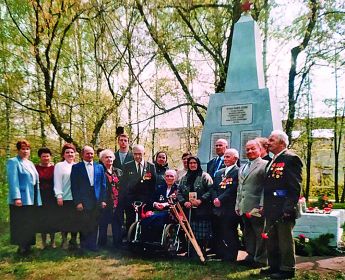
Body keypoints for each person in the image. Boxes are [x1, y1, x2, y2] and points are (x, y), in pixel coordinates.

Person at [260, 130, 303, 279]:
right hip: (271, 208)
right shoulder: (273, 159)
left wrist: (288, 208)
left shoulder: (291, 159)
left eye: (272, 140)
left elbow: (294, 187)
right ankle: (274, 266)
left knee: (284, 240)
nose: (268, 142)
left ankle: (287, 269)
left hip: (284, 208)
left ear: (282, 143)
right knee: (272, 240)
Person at [235, 140, 268, 267]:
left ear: (260, 150)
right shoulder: (243, 167)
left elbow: (266, 188)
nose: (249, 151)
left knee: (260, 233)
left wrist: (262, 204)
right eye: (247, 149)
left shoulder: (265, 165)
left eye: (253, 149)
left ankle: (261, 259)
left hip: (256, 207)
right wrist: (237, 205)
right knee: (248, 233)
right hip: (244, 206)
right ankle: (250, 255)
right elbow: (240, 188)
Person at [7, 140, 42, 254]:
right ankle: (21, 247)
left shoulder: (30, 163)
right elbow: (13, 181)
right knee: (20, 222)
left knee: (29, 222)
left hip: (31, 198)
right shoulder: (13, 162)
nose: (26, 151)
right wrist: (17, 197)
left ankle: (28, 246)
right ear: (18, 150)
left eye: (27, 148)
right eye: (23, 148)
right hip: (21, 198)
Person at [71, 145, 107, 252]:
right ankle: (83, 245)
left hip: (96, 199)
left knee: (94, 222)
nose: (90, 155)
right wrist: (78, 202)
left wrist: (103, 200)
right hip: (83, 199)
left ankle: (92, 245)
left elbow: (103, 185)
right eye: (87, 153)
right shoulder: (76, 167)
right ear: (82, 155)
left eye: (91, 153)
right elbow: (74, 186)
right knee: (84, 222)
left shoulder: (99, 167)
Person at [177, 156, 213, 257]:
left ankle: (202, 252)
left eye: (194, 163)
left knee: (202, 233)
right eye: (190, 163)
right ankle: (191, 252)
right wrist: (184, 202)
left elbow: (211, 191)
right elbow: (179, 192)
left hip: (203, 210)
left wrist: (201, 200)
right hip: (189, 211)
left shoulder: (205, 176)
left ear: (198, 164)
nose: (192, 165)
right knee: (190, 232)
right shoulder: (184, 178)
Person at [211, 149, 241, 262]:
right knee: (219, 231)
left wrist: (221, 199)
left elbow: (233, 188)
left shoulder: (238, 171)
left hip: (229, 207)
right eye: (225, 156)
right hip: (217, 207)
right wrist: (215, 198)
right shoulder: (219, 172)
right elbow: (214, 188)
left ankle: (231, 256)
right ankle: (220, 253)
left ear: (235, 159)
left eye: (228, 157)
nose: (225, 159)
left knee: (230, 231)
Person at [121, 144, 157, 231]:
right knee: (130, 221)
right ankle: (130, 241)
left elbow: (153, 184)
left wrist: (150, 200)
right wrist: (127, 199)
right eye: (135, 154)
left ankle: (143, 241)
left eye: (140, 154)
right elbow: (124, 184)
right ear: (132, 154)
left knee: (145, 222)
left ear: (144, 153)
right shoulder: (127, 166)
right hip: (131, 200)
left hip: (145, 200)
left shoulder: (150, 166)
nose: (137, 156)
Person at [140, 169, 178, 242]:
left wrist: (165, 204)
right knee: (145, 219)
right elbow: (151, 199)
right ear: (164, 177)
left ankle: (155, 240)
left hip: (171, 212)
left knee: (158, 218)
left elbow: (178, 201)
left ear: (175, 178)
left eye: (171, 176)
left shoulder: (178, 189)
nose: (169, 178)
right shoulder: (160, 188)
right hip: (157, 210)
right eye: (167, 176)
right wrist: (155, 203)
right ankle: (144, 240)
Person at [54, 143, 78, 249]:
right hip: (65, 198)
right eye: (67, 152)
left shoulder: (77, 166)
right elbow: (57, 182)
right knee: (65, 220)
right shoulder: (59, 166)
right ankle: (64, 241)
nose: (70, 154)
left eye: (72, 152)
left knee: (75, 220)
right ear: (63, 154)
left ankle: (73, 240)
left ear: (75, 154)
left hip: (76, 198)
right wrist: (59, 195)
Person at [98, 149, 123, 248]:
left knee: (117, 223)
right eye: (106, 157)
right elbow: (97, 187)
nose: (109, 159)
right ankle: (102, 244)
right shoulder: (99, 171)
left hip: (117, 201)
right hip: (105, 201)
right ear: (102, 159)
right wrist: (101, 200)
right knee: (103, 223)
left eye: (110, 157)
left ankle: (117, 244)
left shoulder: (118, 171)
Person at [35, 147, 56, 249]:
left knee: (52, 219)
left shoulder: (54, 168)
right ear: (40, 157)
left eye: (47, 156)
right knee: (42, 219)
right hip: (41, 197)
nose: (46, 158)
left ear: (50, 157)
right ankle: (43, 242)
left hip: (52, 197)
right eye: (43, 156)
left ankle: (52, 242)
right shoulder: (35, 168)